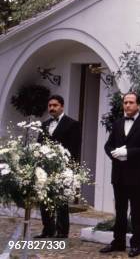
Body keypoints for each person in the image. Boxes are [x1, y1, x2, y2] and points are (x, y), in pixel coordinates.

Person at [100, 93, 140, 257]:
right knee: (120, 209)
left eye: (131, 102)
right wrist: (114, 154)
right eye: (125, 102)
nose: (128, 105)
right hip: (118, 174)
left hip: (136, 174)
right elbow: (108, 145)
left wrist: (128, 153)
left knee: (137, 211)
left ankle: (137, 244)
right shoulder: (117, 123)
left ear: (138, 105)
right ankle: (118, 242)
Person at [35, 95, 81, 239]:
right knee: (44, 199)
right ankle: (48, 229)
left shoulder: (72, 124)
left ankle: (62, 232)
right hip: (45, 169)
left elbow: (74, 148)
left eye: (54, 105)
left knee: (61, 201)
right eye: (49, 106)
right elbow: (39, 145)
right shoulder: (44, 124)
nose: (51, 108)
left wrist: (69, 169)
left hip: (63, 168)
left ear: (62, 106)